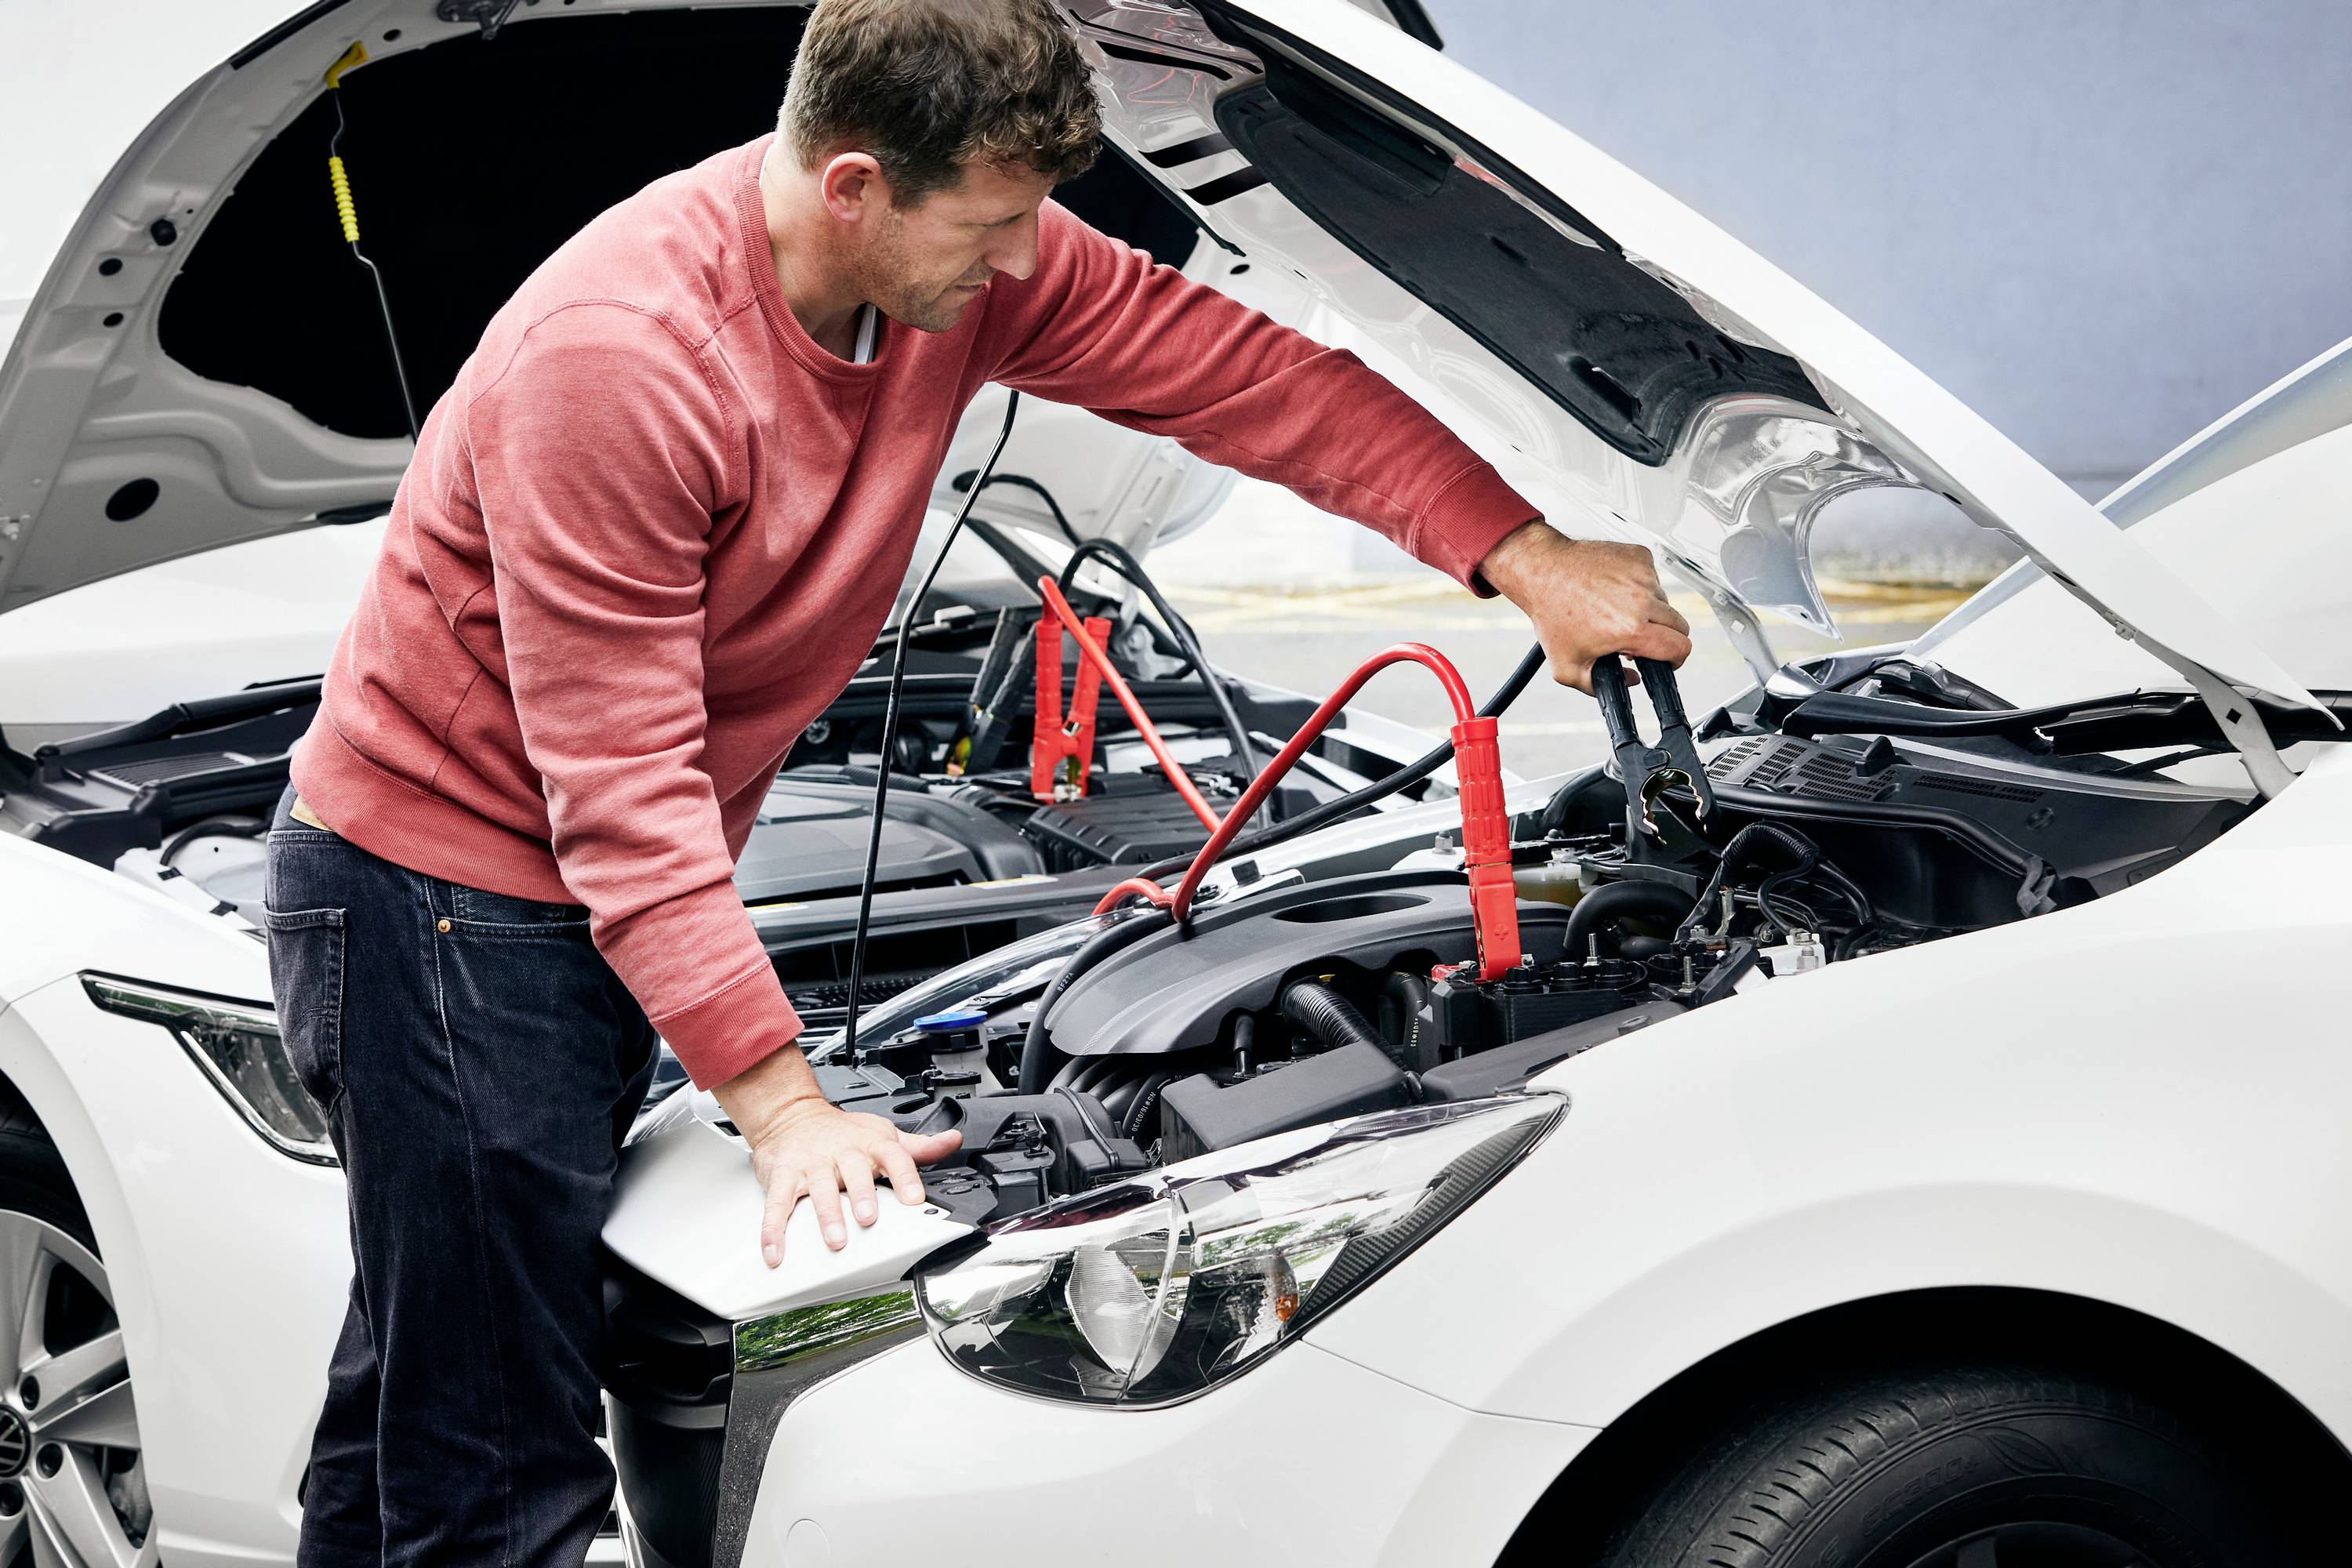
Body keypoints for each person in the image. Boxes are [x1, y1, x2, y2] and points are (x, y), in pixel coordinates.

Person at [263, 0, 1693, 1562]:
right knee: (495, 1471)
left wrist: (1518, 550)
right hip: (437, 903)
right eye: (992, 225)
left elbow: (1244, 377)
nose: (1020, 262)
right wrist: (782, 1102)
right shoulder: (620, 364)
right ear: (856, 186)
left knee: (418, 1396)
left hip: (553, 906)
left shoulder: (953, 263)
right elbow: (621, 789)